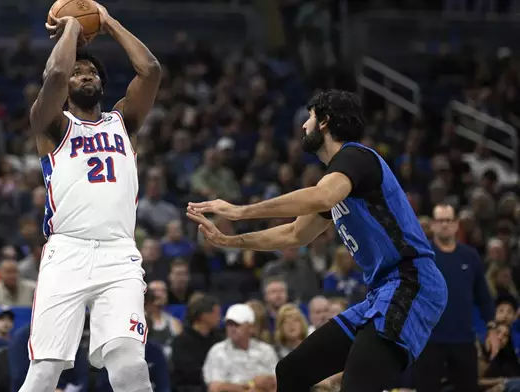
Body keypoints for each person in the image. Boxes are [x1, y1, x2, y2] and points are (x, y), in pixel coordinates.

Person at [187, 90, 448, 391]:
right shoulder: (336, 181)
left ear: (324, 122)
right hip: (381, 292)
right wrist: (230, 241)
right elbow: (295, 234)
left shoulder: (355, 157)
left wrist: (239, 211)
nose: (303, 126)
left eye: (309, 118)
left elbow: (321, 196)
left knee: (358, 385)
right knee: (292, 371)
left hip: (411, 281)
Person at [20, 3, 161, 392]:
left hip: (119, 254)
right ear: (67, 89)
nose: (85, 75)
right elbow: (55, 72)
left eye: (93, 72)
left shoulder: (122, 122)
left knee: (129, 362)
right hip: (67, 252)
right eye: (79, 72)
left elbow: (150, 70)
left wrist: (107, 21)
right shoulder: (50, 125)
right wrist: (70, 27)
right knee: (45, 372)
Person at [412, 204, 499, 392]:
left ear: (456, 224)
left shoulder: (470, 256)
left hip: (463, 339)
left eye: (449, 220)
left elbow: (484, 297)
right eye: (440, 221)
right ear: (433, 225)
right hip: (429, 340)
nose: (445, 225)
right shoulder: (421, 256)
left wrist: (492, 328)